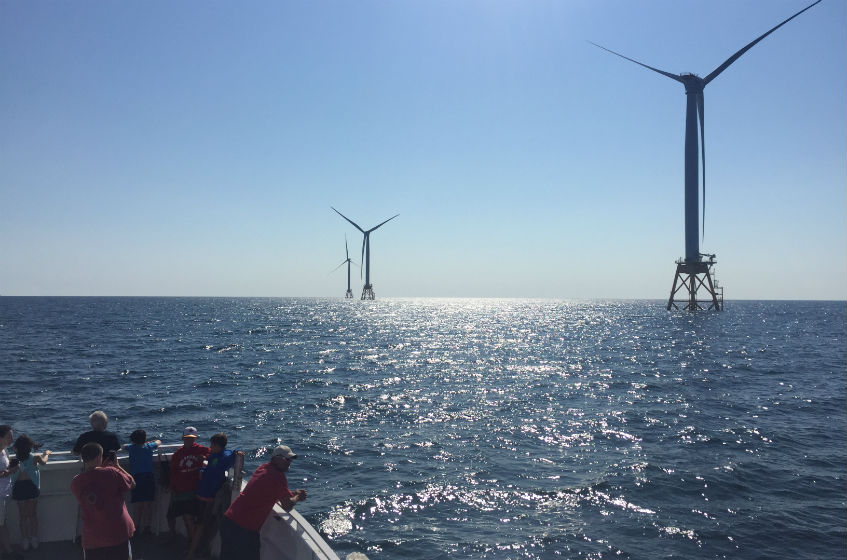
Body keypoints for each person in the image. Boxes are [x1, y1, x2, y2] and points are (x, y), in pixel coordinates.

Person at [219, 445, 307, 560]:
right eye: (286, 459)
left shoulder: (263, 468)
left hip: (229, 521)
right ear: (276, 458)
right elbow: (287, 505)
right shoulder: (278, 477)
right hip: (245, 530)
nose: (288, 463)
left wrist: (293, 494)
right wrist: (298, 497)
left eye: (290, 460)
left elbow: (270, 491)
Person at [70, 442, 135, 560]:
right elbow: (131, 483)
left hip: (93, 536)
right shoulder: (112, 472)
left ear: (83, 458)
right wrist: (117, 466)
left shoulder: (76, 482)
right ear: (98, 457)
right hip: (118, 531)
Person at [187, 433, 243, 560]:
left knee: (201, 525)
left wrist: (237, 452)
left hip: (208, 497)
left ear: (218, 446)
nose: (210, 447)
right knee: (197, 522)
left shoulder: (225, 457)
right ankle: (196, 549)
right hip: (200, 493)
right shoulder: (214, 455)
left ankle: (192, 553)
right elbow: (211, 467)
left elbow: (234, 453)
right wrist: (202, 470)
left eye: (212, 445)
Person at [166, 427, 209, 544]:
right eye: (187, 438)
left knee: (188, 518)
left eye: (192, 439)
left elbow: (214, 453)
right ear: (183, 438)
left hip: (192, 491)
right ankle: (173, 537)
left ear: (195, 439)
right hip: (178, 490)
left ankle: (192, 543)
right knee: (170, 516)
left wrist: (205, 458)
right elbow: (173, 472)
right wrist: (173, 487)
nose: (189, 441)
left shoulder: (201, 450)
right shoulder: (178, 454)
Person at [10, 435, 50, 551]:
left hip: (19, 489)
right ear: (29, 447)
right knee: (32, 515)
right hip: (32, 488)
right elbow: (44, 462)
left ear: (16, 448)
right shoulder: (35, 457)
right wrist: (46, 453)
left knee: (22, 516)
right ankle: (34, 539)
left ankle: (25, 540)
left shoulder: (14, 461)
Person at [124, 429, 161, 537]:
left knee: (138, 505)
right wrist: (150, 442)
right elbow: (159, 441)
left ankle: (136, 529)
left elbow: (123, 446)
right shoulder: (149, 446)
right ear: (144, 439)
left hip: (136, 479)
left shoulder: (131, 448)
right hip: (148, 478)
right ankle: (147, 528)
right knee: (148, 504)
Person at [0, 425, 22, 560]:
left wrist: (11, 467)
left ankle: (5, 550)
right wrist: (10, 471)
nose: (11, 439)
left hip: (4, 493)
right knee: (1, 525)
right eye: (8, 436)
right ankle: (8, 552)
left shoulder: (4, 451)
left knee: (3, 522)